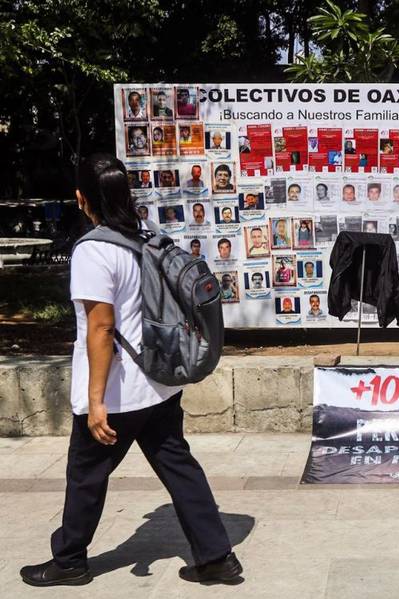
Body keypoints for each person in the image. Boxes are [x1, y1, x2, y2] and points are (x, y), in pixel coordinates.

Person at [19, 154, 240, 588]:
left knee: (85, 476)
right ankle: (217, 558)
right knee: (179, 466)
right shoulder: (147, 238)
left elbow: (101, 329)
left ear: (82, 199)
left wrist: (96, 402)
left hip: (119, 392)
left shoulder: (93, 251)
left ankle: (69, 560)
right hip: (159, 382)